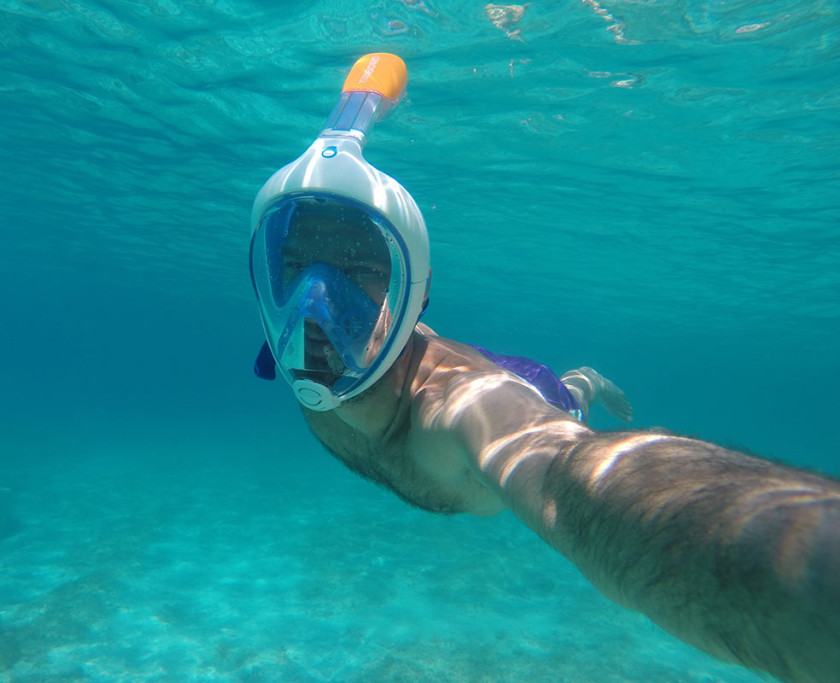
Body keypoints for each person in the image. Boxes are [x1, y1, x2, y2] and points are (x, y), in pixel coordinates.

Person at [248, 53, 840, 683]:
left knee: (567, 398)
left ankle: (583, 379)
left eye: (356, 271)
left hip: (524, 384)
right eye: (296, 270)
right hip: (434, 352)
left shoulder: (467, 413)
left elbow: (573, 477)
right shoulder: (291, 348)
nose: (316, 305)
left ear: (412, 296)